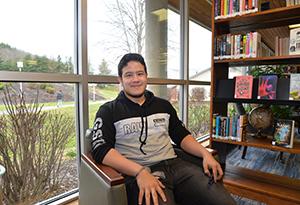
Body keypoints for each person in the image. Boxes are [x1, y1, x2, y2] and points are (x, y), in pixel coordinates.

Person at [91, 53, 236, 205]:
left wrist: (205, 153)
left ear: (146, 76)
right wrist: (139, 172)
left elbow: (181, 135)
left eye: (140, 74)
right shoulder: (108, 111)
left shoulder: (163, 106)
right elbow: (101, 150)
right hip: (140, 172)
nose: (135, 79)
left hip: (176, 166)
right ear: (120, 80)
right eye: (128, 75)